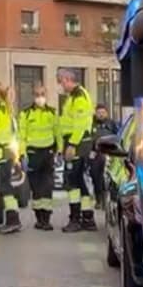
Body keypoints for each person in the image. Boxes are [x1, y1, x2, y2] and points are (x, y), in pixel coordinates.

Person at [57, 68, 96, 232]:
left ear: (67, 79)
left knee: (73, 183)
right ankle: (87, 218)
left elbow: (79, 123)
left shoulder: (79, 97)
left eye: (61, 81)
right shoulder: (73, 96)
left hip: (77, 144)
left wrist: (72, 144)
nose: (60, 85)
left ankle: (76, 219)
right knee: (81, 182)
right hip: (76, 142)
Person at [19, 85, 59, 231]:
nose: (39, 97)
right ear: (33, 95)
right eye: (37, 94)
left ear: (46, 94)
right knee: (36, 188)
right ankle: (39, 218)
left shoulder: (52, 113)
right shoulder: (26, 114)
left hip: (48, 152)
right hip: (32, 153)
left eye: (42, 94)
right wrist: (22, 154)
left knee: (47, 186)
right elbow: (21, 136)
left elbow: (57, 133)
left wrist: (59, 151)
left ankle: (47, 219)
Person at [0, 82, 22, 235]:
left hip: (2, 153)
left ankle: (13, 220)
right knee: (5, 186)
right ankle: (13, 219)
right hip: (6, 153)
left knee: (5, 187)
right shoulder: (4, 108)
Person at [90, 104, 120, 208]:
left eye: (103, 113)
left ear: (107, 113)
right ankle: (99, 198)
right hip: (96, 154)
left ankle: (113, 199)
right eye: (99, 113)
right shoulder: (91, 124)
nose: (101, 115)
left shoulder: (112, 124)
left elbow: (119, 137)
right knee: (95, 176)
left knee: (112, 176)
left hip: (110, 154)